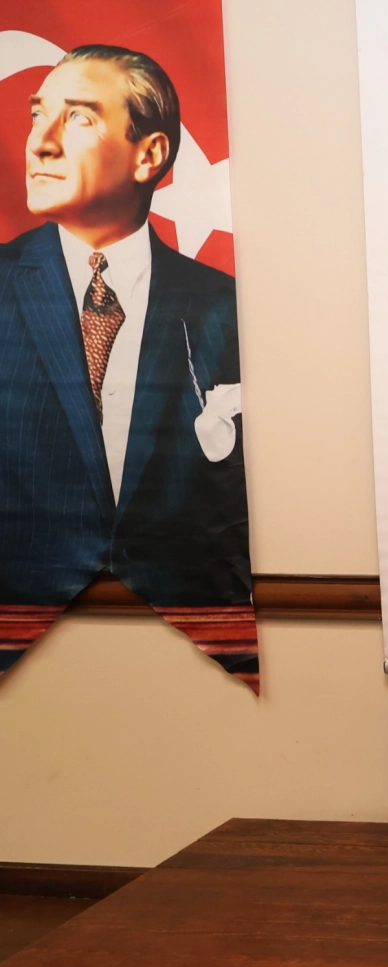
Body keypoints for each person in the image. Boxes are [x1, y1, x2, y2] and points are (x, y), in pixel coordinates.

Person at [0, 45, 249, 642]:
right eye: (38, 114)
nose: (40, 144)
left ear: (150, 154)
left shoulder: (225, 307)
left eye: (79, 117)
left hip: (191, 632)